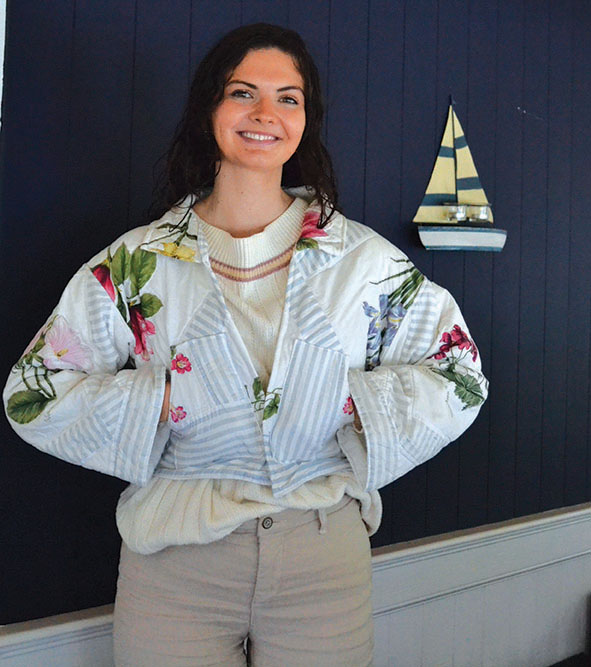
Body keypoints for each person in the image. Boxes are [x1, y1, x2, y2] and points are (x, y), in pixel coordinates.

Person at [2, 23, 488, 667]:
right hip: (175, 559)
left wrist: (344, 403)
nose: (266, 113)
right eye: (243, 92)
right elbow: (32, 395)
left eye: (288, 98)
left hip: (323, 555)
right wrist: (169, 401)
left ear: (306, 120)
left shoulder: (362, 260)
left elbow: (461, 374)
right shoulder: (136, 262)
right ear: (210, 109)